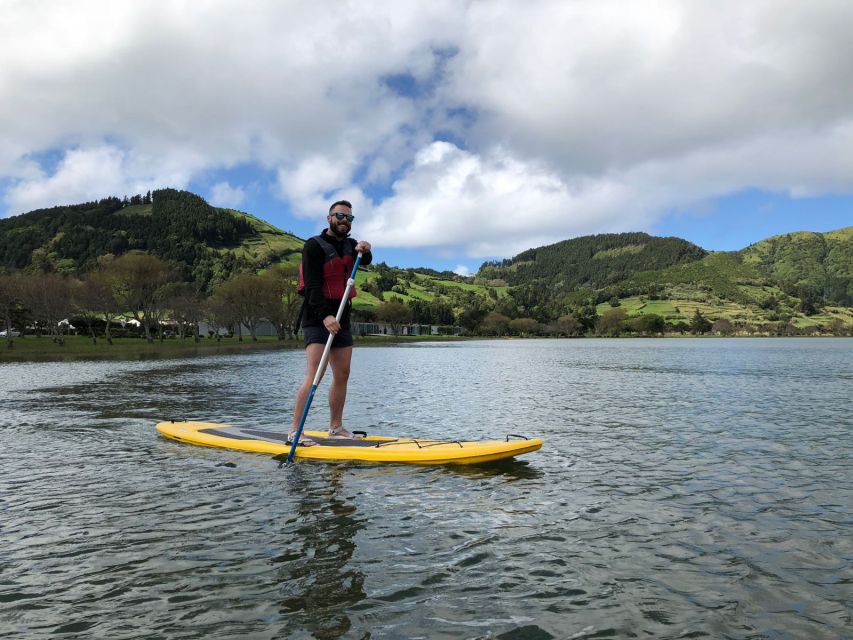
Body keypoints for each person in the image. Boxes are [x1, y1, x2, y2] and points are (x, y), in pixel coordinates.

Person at [290, 200, 372, 445]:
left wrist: (366, 249)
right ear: (329, 218)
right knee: (316, 373)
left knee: (343, 374)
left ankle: (335, 428)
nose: (344, 221)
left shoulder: (349, 245)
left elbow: (365, 260)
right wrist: (325, 316)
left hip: (343, 315)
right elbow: (312, 285)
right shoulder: (314, 246)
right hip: (318, 316)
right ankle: (295, 431)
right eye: (340, 216)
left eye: (349, 218)